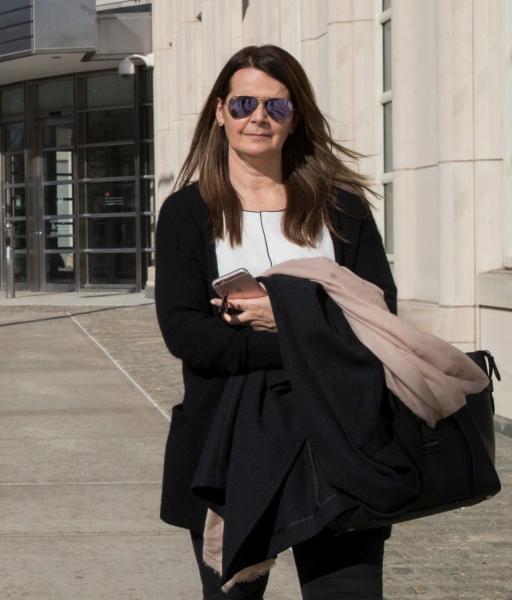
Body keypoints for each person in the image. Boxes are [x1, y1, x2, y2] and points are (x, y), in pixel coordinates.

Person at [155, 45, 396, 599]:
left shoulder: (342, 207)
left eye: (276, 107)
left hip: (339, 438)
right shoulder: (188, 212)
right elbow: (187, 334)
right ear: (219, 112)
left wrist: (275, 317)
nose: (257, 118)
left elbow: (380, 316)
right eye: (242, 104)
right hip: (229, 443)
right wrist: (317, 333)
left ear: (296, 118)